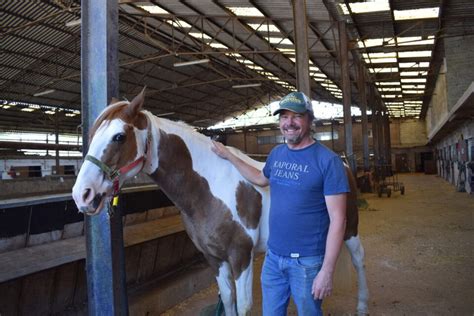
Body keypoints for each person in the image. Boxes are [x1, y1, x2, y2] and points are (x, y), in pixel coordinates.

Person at [211, 91, 349, 316]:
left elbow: (338, 220)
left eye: (296, 116)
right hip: (273, 259)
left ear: (309, 119)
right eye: (284, 117)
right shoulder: (277, 154)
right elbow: (259, 178)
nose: (289, 123)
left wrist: (327, 270)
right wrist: (229, 156)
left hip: (306, 262)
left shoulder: (328, 161)